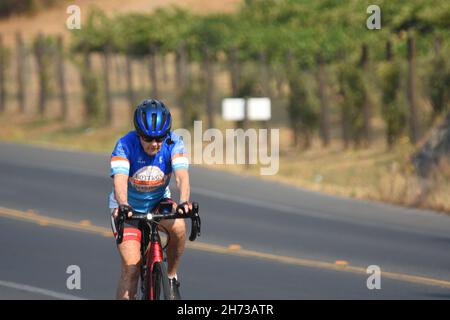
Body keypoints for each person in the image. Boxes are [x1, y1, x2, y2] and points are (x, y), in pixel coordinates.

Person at [109, 99, 191, 300]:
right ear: (138, 133)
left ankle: (170, 277)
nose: (155, 144)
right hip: (128, 208)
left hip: (158, 202)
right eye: (148, 138)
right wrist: (123, 205)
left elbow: (182, 176)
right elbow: (119, 181)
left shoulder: (174, 142)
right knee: (131, 270)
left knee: (179, 226)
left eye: (160, 137)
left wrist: (184, 202)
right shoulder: (124, 145)